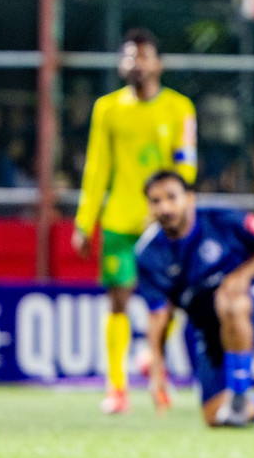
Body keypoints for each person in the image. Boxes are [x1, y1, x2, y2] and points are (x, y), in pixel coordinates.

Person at [72, 28, 198, 415]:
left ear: (158, 64)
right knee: (119, 302)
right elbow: (97, 168)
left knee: (170, 304)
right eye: (129, 56)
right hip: (119, 221)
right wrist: (84, 221)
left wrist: (173, 209)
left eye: (143, 56)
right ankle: (116, 387)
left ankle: (152, 359)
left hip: (163, 226)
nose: (135, 63)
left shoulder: (180, 108)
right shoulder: (107, 109)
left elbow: (187, 168)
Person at [134, 170, 254, 430]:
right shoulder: (147, 253)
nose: (165, 207)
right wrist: (157, 373)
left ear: (189, 198)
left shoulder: (222, 218)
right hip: (210, 328)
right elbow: (159, 316)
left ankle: (239, 396)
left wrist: (241, 276)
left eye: (171, 197)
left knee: (228, 297)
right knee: (215, 417)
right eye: (156, 201)